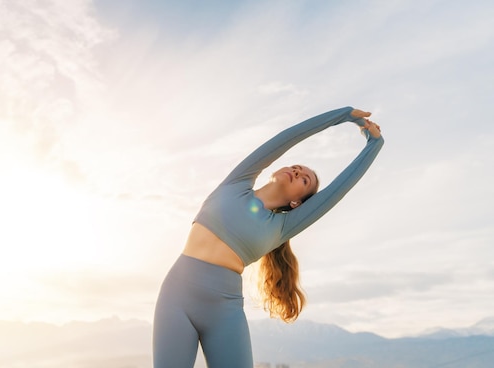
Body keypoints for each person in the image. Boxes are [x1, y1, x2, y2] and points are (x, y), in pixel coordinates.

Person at [152, 106, 384, 368]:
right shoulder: (237, 183)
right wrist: (343, 115)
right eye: (296, 167)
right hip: (177, 296)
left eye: (304, 180)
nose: (297, 172)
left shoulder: (282, 227)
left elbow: (339, 189)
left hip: (224, 311)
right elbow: (287, 137)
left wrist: (373, 145)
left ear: (298, 202)